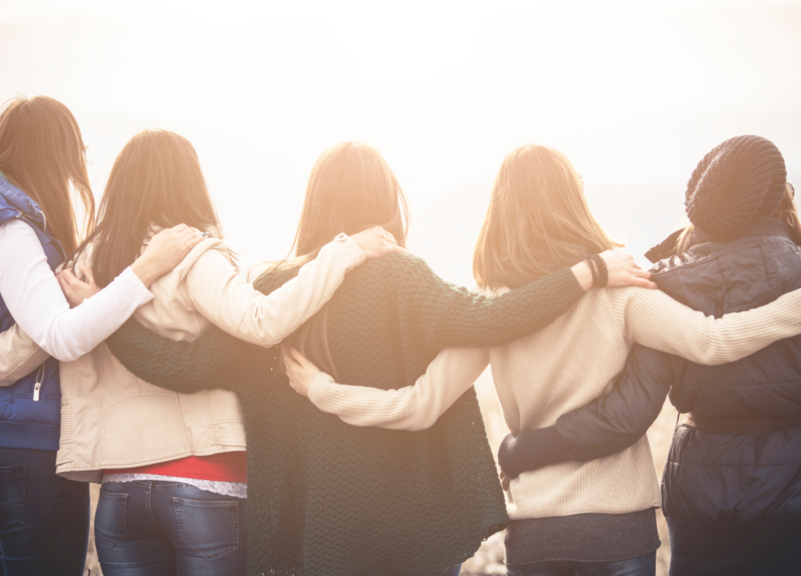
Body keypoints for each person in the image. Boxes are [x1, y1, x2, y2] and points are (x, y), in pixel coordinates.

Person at [279, 143, 801, 576]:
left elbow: (418, 405)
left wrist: (321, 390)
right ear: (573, 201)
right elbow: (715, 341)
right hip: (619, 536)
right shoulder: (624, 291)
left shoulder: (494, 312)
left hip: (538, 535)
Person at [98, 141, 657, 576]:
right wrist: (589, 272)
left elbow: (187, 367)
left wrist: (109, 316)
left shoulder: (270, 287)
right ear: (387, 203)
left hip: (316, 529)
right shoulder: (401, 276)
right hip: (416, 527)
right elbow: (493, 318)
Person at [0, 129, 402, 576]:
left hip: (120, 500)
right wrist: (342, 252)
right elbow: (264, 321)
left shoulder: (81, 268)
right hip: (205, 485)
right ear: (189, 184)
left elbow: (29, 347)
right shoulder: (194, 255)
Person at [496, 136, 801, 576]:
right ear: (778, 198)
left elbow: (627, 414)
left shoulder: (672, 283)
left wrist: (522, 450)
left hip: (702, 506)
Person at [0, 97, 205, 576]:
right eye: (74, 153)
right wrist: (145, 270)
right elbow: (62, 337)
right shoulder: (11, 232)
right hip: (28, 458)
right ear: (51, 156)